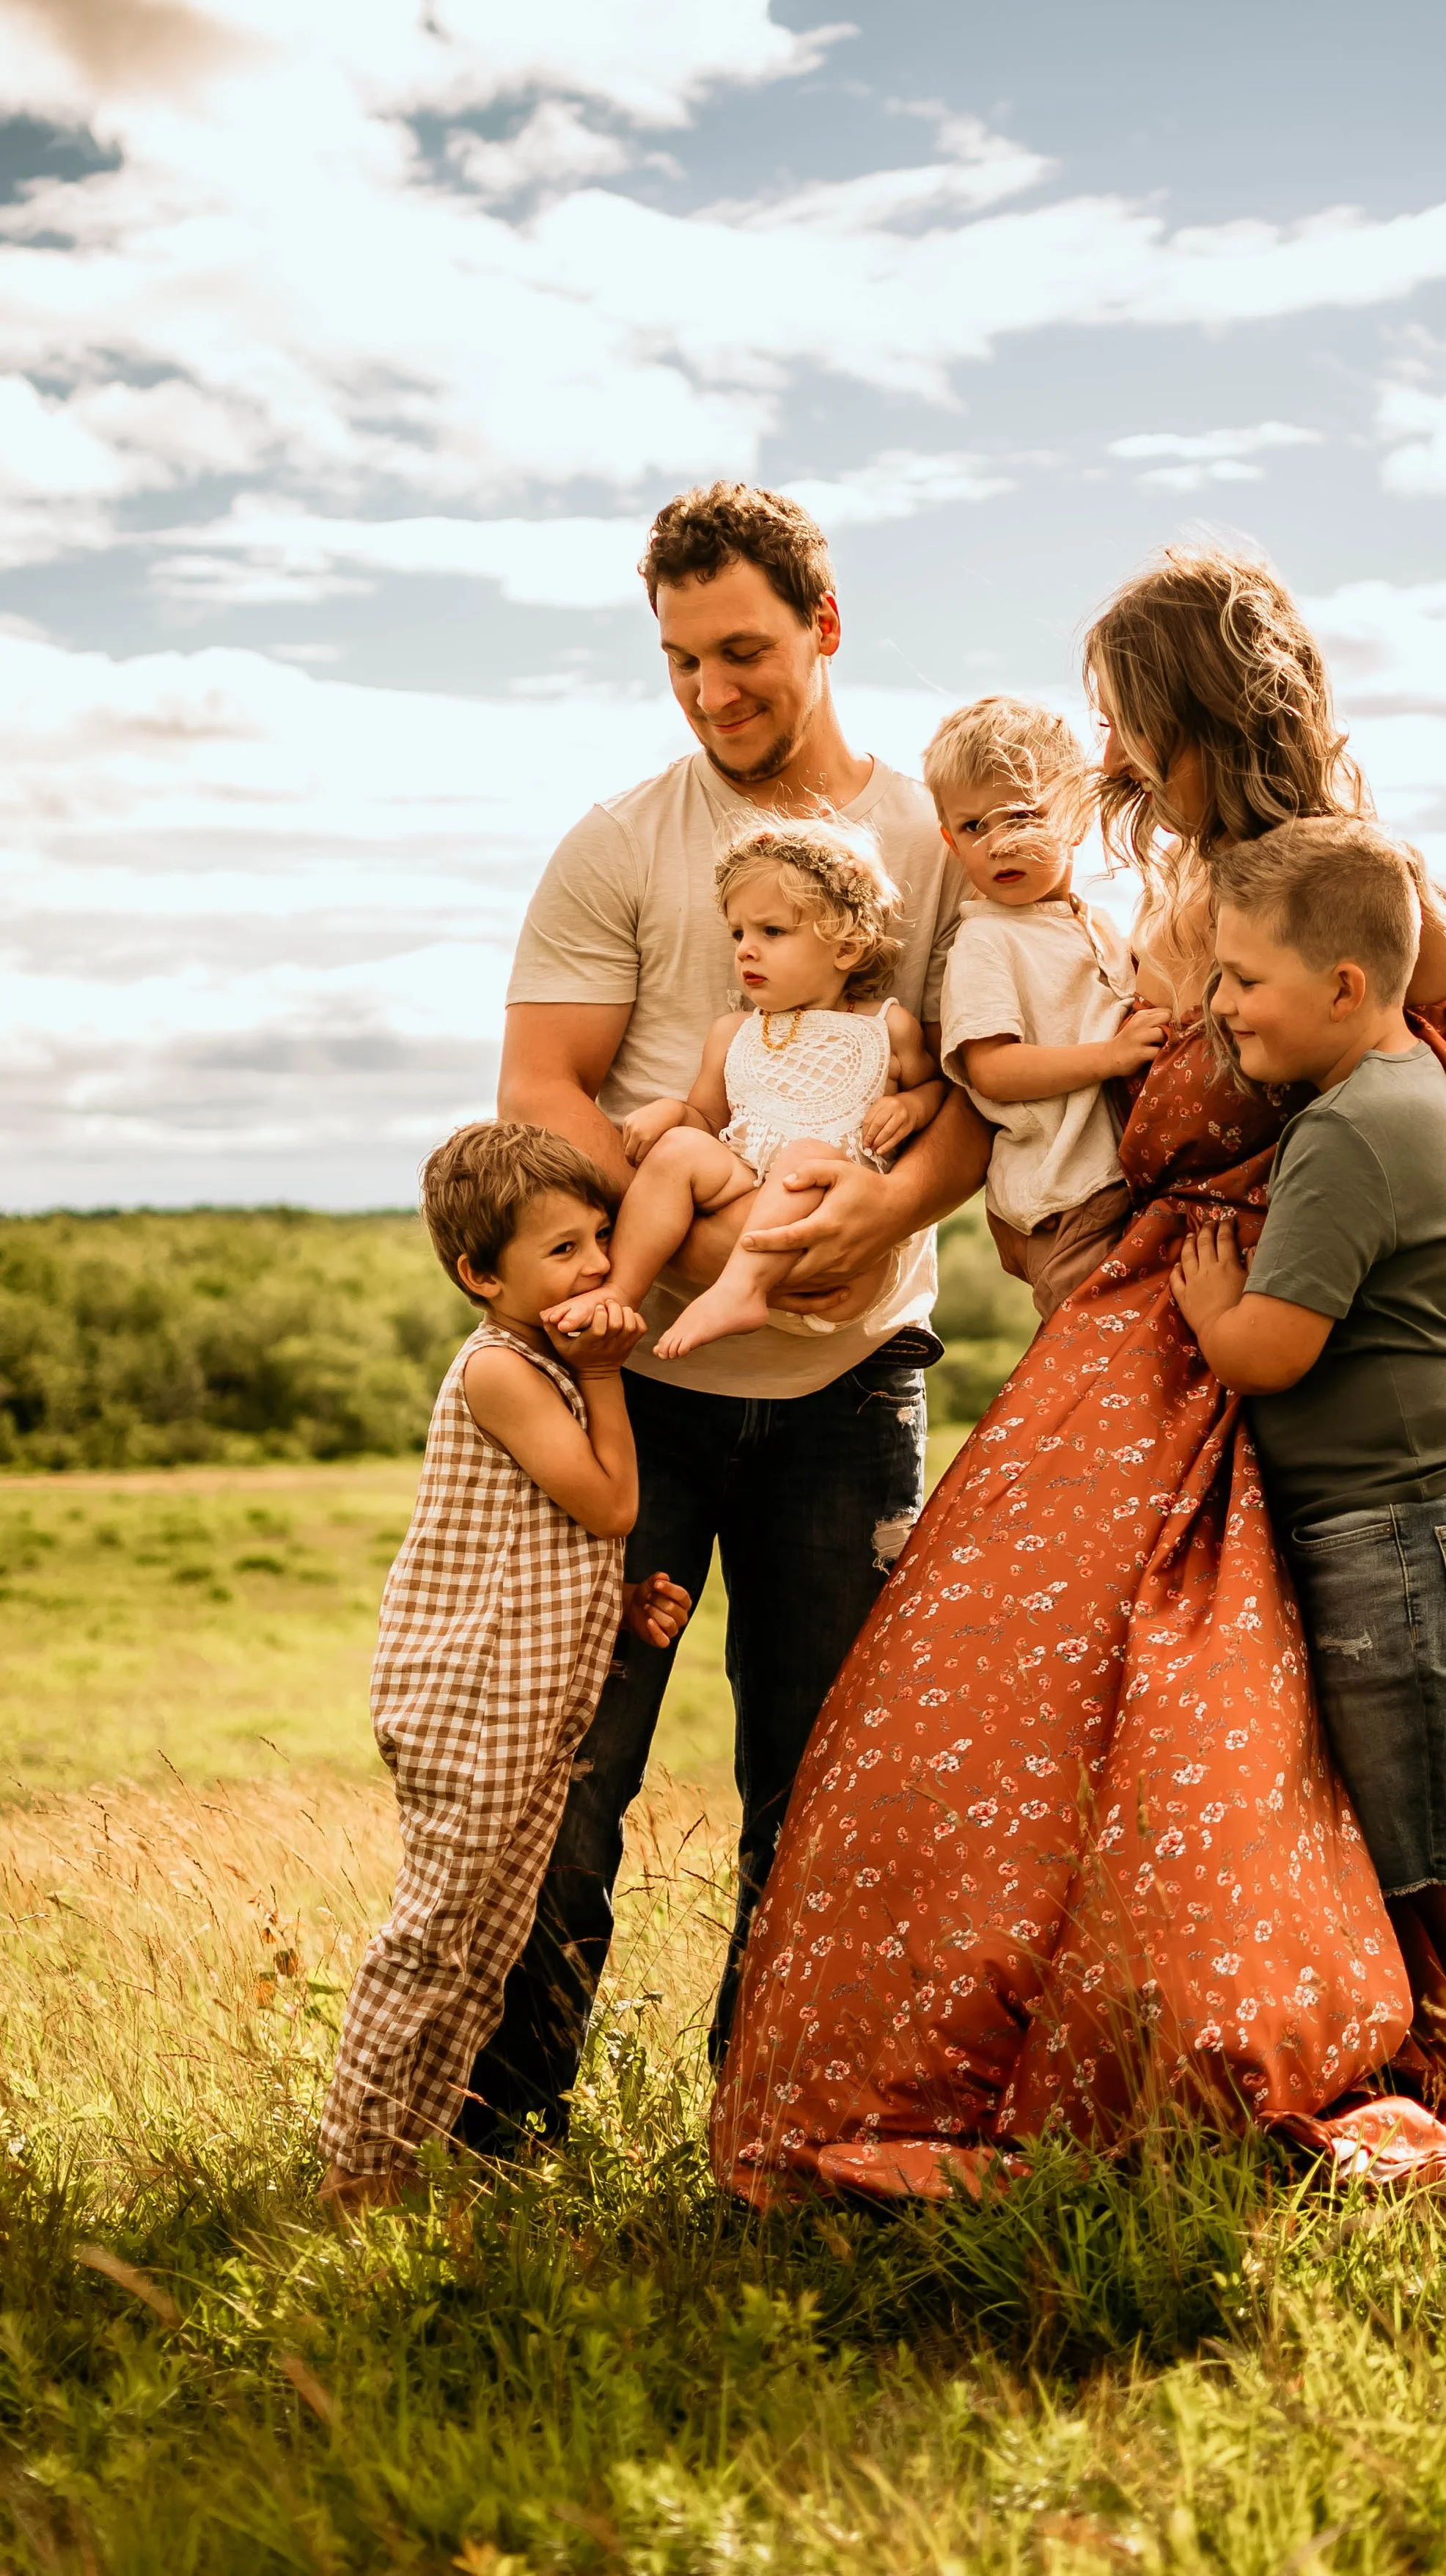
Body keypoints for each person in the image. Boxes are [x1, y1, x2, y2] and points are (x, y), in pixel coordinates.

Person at [710, 545, 1446, 2206]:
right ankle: (1155, 2061)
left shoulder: (1345, 884)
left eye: (1131, 720)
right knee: (1036, 1723)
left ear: (1198, 712)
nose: (1111, 757)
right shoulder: (1151, 893)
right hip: (1162, 1332)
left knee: (1296, 1765)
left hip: (1261, 1343)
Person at [467, 483, 987, 2141]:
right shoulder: (621, 841)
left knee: (821, 1771)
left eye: (744, 650)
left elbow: (971, 1093)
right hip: (630, 1384)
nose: (712, 691)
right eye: (682, 659)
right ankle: (507, 2123)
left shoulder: (931, 839)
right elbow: (540, 1088)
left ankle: (774, 2121)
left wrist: (886, 1212)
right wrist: (687, 1240)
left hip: (854, 1382)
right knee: (572, 1755)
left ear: (826, 628)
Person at [1169, 817, 1446, 2142]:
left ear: (1346, 986)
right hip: (1411, 1523)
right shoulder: (1415, 1090)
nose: (1220, 1007)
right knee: (1423, 1849)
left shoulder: (1352, 1130)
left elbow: (1277, 1351)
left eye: (1242, 980)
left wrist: (1209, 1307)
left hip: (1405, 1533)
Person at [318, 1122, 690, 2214]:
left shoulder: (545, 1362)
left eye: (600, 1239)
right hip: (473, 1707)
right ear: (482, 1274)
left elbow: (542, 1536)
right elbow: (612, 1501)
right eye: (562, 1250)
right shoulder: (505, 1370)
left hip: (528, 1701)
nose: (596, 1267)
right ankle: (358, 2164)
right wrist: (608, 1373)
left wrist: (614, 1606)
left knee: (487, 1941)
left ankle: (413, 2153)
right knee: (438, 1933)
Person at [607, 816, 944, 1363]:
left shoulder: (886, 1026)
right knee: (677, 1150)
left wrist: (910, 1103)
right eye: (738, 933)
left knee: (808, 1157)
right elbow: (705, 1122)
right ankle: (619, 1296)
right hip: (747, 1195)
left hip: (836, 1234)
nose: (745, 950)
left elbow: (938, 1093)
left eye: (772, 932)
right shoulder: (732, 1032)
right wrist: (672, 1112)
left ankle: (739, 1291)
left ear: (847, 947)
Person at [927, 697, 1166, 1323]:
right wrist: (1110, 1057)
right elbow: (993, 1071)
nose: (999, 844)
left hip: (1118, 1185)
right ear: (951, 841)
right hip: (1066, 1197)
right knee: (1097, 1354)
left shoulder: (1100, 925)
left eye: (1023, 816)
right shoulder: (987, 940)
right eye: (974, 827)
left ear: (1078, 817)